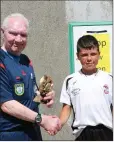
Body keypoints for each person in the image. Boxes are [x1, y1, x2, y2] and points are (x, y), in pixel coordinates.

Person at [0, 13, 61, 141]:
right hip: (10, 134)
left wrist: (44, 97)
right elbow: (6, 104)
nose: (18, 39)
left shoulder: (26, 61)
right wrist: (42, 119)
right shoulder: (1, 61)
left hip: (32, 132)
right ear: (2, 32)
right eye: (13, 33)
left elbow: (31, 98)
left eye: (23, 35)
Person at [59, 35, 113, 141]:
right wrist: (56, 125)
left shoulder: (109, 78)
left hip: (107, 133)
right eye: (84, 55)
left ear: (99, 55)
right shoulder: (70, 80)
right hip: (82, 134)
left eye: (93, 54)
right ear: (77, 56)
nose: (89, 59)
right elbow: (66, 108)